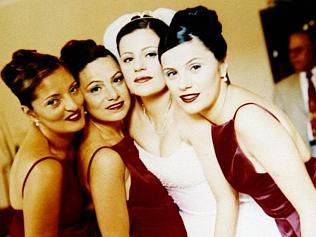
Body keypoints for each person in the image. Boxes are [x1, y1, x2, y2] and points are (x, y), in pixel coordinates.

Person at [104, 7, 281, 237]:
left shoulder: (194, 115)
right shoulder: (127, 118)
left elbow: (227, 200)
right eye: (128, 59)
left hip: (235, 225)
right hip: (189, 228)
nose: (138, 66)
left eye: (149, 54)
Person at [158, 5, 316, 237]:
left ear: (222, 64)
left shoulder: (249, 119)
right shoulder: (218, 115)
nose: (183, 83)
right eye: (172, 73)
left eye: (195, 67)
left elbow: (310, 206)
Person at [60, 39, 187, 237]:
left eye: (117, 79)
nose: (113, 94)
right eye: (95, 88)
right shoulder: (105, 159)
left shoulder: (123, 131)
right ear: (79, 98)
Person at [1, 50, 100, 237]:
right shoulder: (45, 169)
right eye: (53, 102)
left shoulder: (71, 136)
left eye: (73, 89)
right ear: (30, 113)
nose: (73, 105)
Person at [274, 26, 316, 156]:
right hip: (306, 158)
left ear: (312, 49)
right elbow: (280, 130)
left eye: (298, 50)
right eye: (290, 51)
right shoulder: (281, 89)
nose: (293, 56)